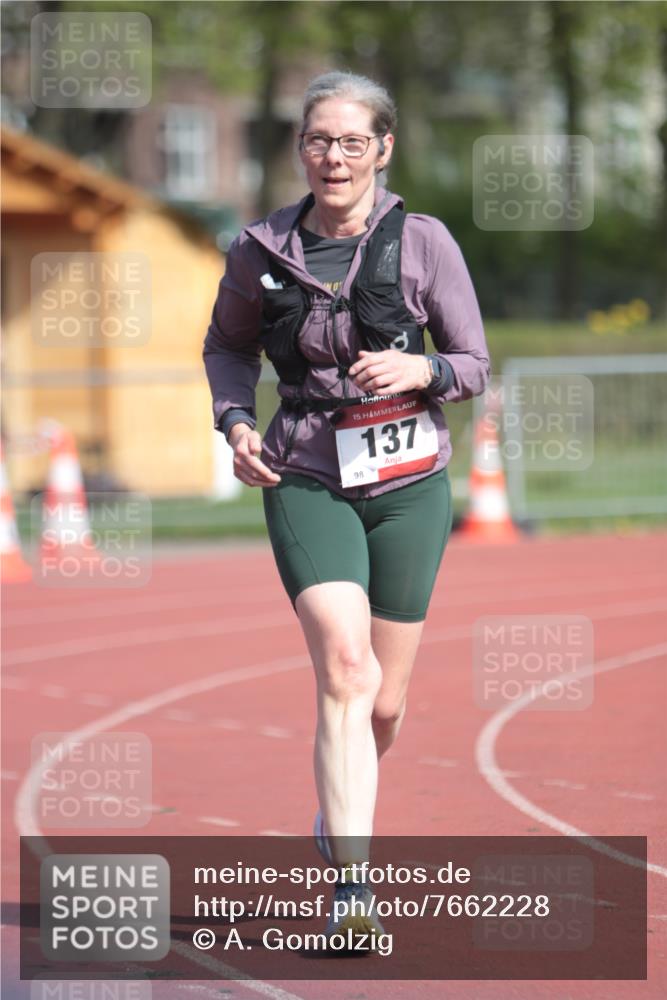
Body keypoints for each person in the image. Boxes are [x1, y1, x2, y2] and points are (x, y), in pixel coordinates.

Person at [203, 70, 490, 940]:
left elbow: (474, 362)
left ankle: (341, 813)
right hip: (306, 474)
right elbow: (226, 346)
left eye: (352, 141)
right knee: (344, 667)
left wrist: (422, 369)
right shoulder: (258, 249)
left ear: (383, 149)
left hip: (408, 486)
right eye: (318, 140)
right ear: (301, 148)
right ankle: (353, 893)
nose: (333, 156)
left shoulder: (425, 242)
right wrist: (235, 422)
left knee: (384, 704)